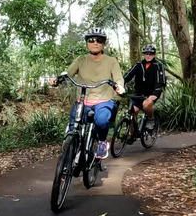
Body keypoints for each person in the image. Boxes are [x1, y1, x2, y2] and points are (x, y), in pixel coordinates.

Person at [50, 28, 125, 159]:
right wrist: (57, 80)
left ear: (103, 44)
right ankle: (73, 150)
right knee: (73, 126)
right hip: (83, 101)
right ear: (87, 43)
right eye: (91, 40)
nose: (95, 42)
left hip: (103, 101)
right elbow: (68, 73)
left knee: (101, 121)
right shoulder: (80, 60)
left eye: (99, 40)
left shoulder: (111, 61)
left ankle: (102, 142)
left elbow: (118, 78)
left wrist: (119, 86)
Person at [123, 44, 167, 130]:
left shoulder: (158, 65)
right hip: (139, 93)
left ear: (154, 55)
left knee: (146, 104)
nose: (148, 56)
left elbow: (161, 81)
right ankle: (131, 134)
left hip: (152, 92)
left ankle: (151, 119)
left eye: (150, 54)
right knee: (132, 113)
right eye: (146, 54)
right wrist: (120, 84)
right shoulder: (139, 65)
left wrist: (155, 93)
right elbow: (128, 76)